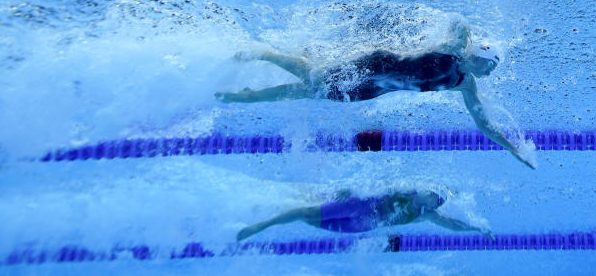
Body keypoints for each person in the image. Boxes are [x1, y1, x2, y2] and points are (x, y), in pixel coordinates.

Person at [216, 20, 535, 168]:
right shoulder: (453, 50)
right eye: (490, 66)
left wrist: (512, 147)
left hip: (374, 89)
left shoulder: (466, 83)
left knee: (309, 92)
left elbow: (483, 124)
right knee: (315, 77)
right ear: (479, 57)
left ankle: (248, 94)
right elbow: (460, 22)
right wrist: (467, 33)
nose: (490, 74)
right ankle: (264, 54)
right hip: (372, 66)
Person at [236, 188, 491, 241]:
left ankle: (275, 204)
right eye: (435, 196)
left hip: (362, 225)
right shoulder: (408, 188)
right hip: (359, 206)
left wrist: (478, 228)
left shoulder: (426, 214)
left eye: (438, 201)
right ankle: (261, 225)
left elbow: (453, 225)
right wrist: (351, 189)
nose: (436, 201)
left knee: (308, 218)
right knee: (306, 211)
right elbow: (380, 181)